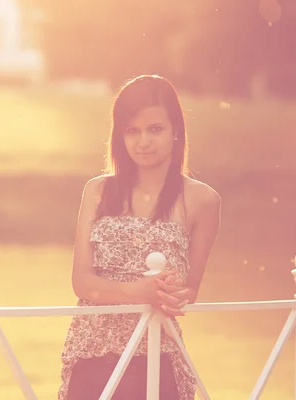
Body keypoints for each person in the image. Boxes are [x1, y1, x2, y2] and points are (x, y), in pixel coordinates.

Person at [58, 74, 221, 400]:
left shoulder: (203, 201)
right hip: (92, 351)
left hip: (156, 353)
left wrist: (176, 295)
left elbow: (191, 289)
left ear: (176, 131)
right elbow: (81, 282)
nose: (143, 141)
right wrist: (137, 291)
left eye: (155, 129)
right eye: (132, 130)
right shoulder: (98, 191)